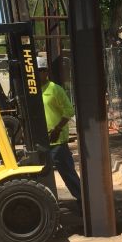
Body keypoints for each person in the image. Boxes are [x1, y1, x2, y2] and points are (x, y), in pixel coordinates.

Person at [37, 56, 82, 213]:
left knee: (67, 172)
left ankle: (82, 200)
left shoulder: (55, 89)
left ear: (46, 72)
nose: (38, 74)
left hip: (56, 140)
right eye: (36, 71)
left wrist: (57, 129)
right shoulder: (33, 92)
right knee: (41, 174)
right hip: (40, 140)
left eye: (41, 71)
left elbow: (69, 111)